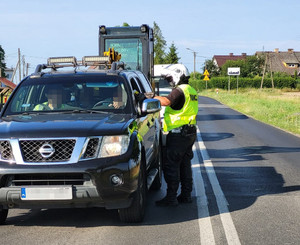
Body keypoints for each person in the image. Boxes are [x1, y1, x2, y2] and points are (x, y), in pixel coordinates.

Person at [154, 73, 198, 206]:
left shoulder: (179, 91)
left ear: (177, 77)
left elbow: (166, 102)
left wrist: (149, 96)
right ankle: (186, 195)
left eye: (170, 79)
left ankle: (171, 198)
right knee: (185, 165)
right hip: (189, 132)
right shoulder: (191, 90)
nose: (170, 82)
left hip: (178, 134)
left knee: (172, 165)